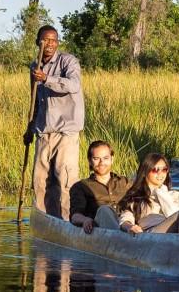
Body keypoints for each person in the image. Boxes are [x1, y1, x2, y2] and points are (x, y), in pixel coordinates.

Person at [22, 24, 84, 221]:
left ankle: (68, 223)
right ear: (37, 42)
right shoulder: (35, 66)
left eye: (53, 40)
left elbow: (73, 85)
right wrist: (30, 127)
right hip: (44, 131)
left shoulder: (68, 62)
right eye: (45, 40)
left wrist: (47, 78)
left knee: (65, 180)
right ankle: (44, 221)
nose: (49, 44)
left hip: (66, 131)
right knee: (40, 181)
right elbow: (35, 101)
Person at [117, 153, 179, 235]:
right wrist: (131, 227)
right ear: (145, 172)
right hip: (152, 234)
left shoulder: (174, 195)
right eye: (155, 169)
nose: (160, 173)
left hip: (176, 231)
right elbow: (125, 219)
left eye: (164, 169)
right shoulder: (136, 197)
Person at [69, 140, 131, 233]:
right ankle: (121, 240)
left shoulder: (124, 182)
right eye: (96, 158)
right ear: (90, 161)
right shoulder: (81, 186)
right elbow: (75, 216)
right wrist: (85, 220)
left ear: (112, 159)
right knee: (104, 210)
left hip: (127, 224)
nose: (102, 162)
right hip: (101, 232)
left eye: (106, 158)